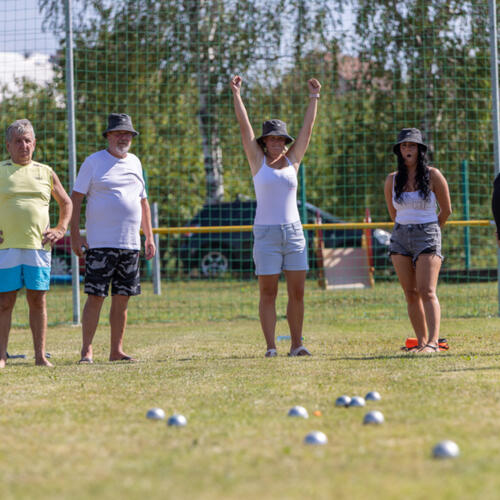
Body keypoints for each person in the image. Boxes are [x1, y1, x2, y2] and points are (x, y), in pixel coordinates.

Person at [230, 75, 321, 357]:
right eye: (272, 138)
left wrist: (314, 98)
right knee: (268, 293)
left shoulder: (293, 161)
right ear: (264, 141)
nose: (277, 142)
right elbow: (244, 129)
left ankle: (297, 345)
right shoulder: (257, 162)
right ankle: (271, 347)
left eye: (281, 138)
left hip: (293, 233)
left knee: (298, 294)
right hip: (266, 234)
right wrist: (236, 94)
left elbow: (307, 130)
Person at [70, 113, 156, 364]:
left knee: (122, 298)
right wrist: (75, 236)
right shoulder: (93, 162)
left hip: (130, 244)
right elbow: (75, 199)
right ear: (108, 136)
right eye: (118, 133)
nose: (123, 137)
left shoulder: (136, 162)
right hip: (100, 244)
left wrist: (149, 236)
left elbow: (143, 202)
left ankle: (116, 350)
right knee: (96, 297)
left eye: (127, 133)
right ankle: (87, 350)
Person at [0, 119, 72, 368]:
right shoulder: (1, 170)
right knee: (4, 302)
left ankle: (40, 356)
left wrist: (61, 228)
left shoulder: (46, 172)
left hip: (38, 248)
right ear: (8, 145)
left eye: (28, 140)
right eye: (18, 141)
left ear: (35, 144)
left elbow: (66, 202)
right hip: (6, 247)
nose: (24, 145)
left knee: (37, 300)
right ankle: (1, 356)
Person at [384, 128, 452, 354]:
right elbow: (393, 214)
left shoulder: (433, 175)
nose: (407, 149)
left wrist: (430, 230)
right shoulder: (392, 179)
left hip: (428, 234)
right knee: (410, 293)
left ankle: (433, 343)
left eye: (411, 145)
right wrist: (407, 228)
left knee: (427, 290)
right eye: (403, 146)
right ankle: (421, 342)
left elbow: (446, 210)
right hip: (400, 236)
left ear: (420, 149)